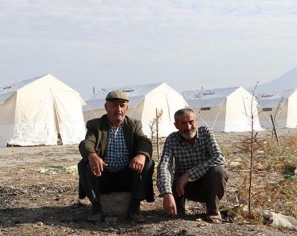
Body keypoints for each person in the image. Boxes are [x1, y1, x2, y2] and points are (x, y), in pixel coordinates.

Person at [78, 90, 154, 223]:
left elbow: (144, 141)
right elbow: (87, 143)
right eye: (114, 105)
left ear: (126, 108)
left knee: (148, 162)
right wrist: (92, 155)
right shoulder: (96, 125)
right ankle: (96, 208)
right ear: (106, 107)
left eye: (122, 105)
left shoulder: (134, 125)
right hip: (103, 176)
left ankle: (134, 208)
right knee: (84, 164)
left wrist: (141, 155)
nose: (118, 109)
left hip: (127, 176)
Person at [157, 108, 228, 224]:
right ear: (176, 125)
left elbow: (218, 157)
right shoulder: (172, 139)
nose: (188, 127)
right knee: (171, 179)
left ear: (196, 121)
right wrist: (167, 193)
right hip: (183, 188)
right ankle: (178, 205)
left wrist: (188, 175)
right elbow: (165, 165)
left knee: (218, 171)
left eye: (191, 122)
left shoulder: (206, 133)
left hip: (206, 184)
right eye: (183, 123)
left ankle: (213, 211)